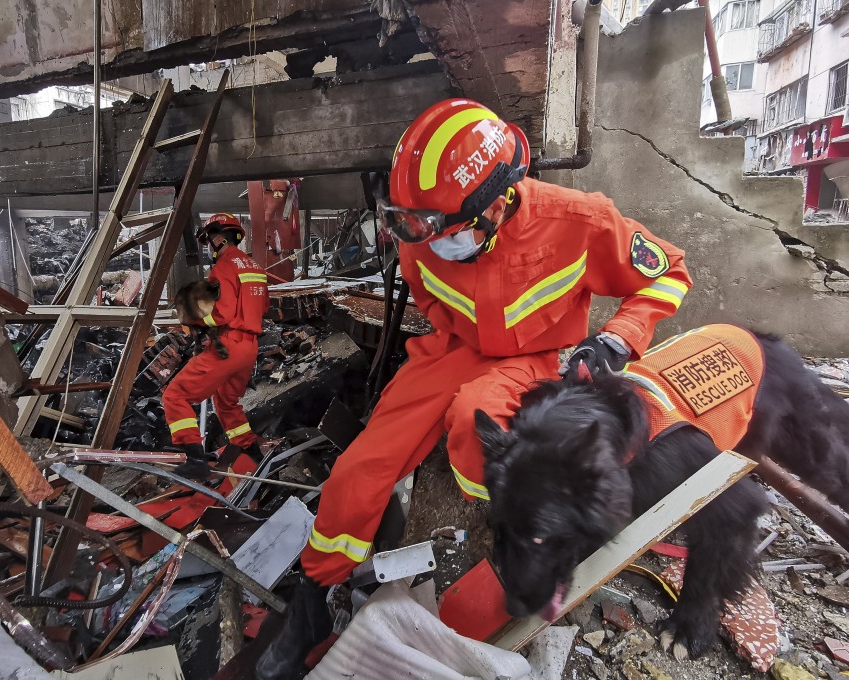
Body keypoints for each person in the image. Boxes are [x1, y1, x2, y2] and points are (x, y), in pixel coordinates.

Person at [255, 98, 694, 679]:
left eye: (437, 226)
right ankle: (314, 598)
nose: (423, 238)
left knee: (474, 420)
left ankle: (499, 528)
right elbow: (433, 297)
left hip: (529, 356)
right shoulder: (422, 233)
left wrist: (616, 339)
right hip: (451, 349)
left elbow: (670, 273)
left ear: (498, 203)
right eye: (411, 221)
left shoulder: (581, 222)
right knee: (360, 469)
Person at [162, 213, 269, 479]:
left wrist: (197, 319)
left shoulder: (224, 266)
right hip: (249, 348)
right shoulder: (254, 267)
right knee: (227, 403)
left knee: (175, 395)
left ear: (218, 238)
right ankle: (256, 456)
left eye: (209, 241)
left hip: (230, 345)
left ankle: (195, 458)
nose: (209, 247)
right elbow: (263, 307)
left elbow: (221, 314)